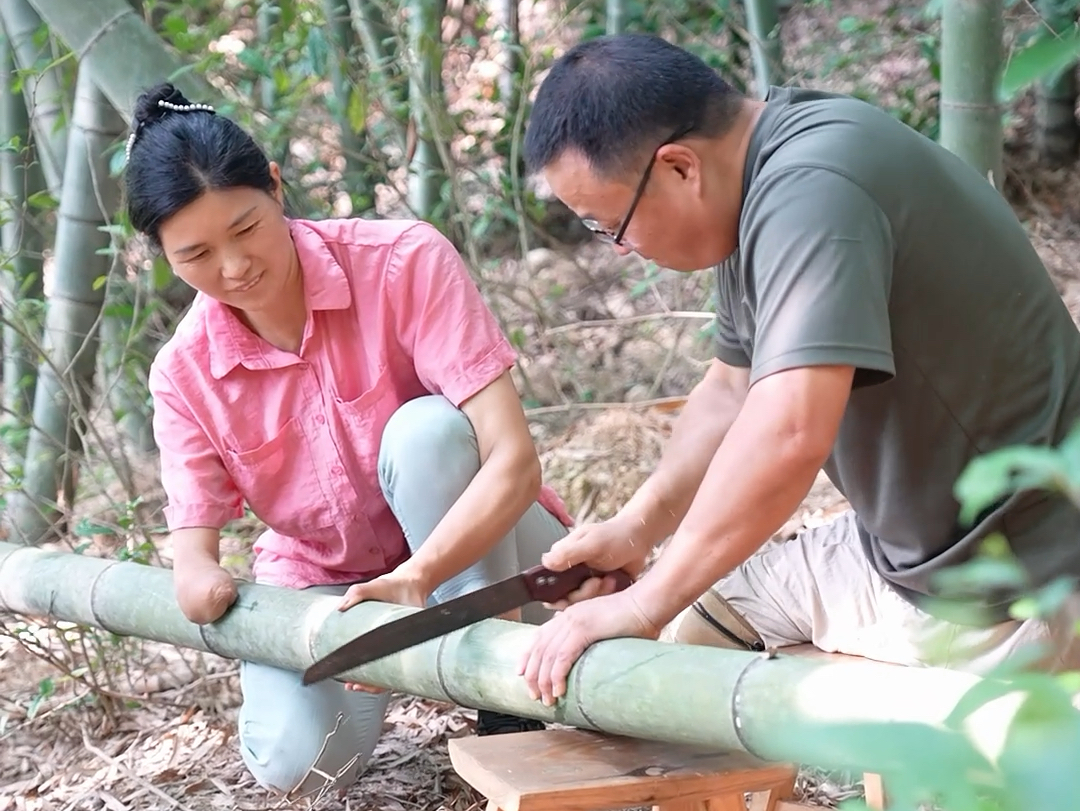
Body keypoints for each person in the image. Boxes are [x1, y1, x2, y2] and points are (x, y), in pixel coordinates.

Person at [514, 33, 1080, 708]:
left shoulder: (812, 191)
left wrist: (644, 604)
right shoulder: (770, 171)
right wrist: (637, 529)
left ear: (679, 167)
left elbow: (789, 431)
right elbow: (730, 390)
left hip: (1011, 581)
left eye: (613, 226)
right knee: (709, 617)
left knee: (682, 648)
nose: (624, 249)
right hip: (936, 546)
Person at [124, 82, 573, 798]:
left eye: (245, 229)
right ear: (159, 253)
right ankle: (400, 670)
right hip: (337, 592)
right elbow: (193, 554)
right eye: (197, 254)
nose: (233, 267)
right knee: (296, 764)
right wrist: (204, 586)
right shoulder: (183, 373)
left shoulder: (402, 261)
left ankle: (502, 704)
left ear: (276, 185)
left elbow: (513, 459)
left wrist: (420, 579)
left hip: (501, 561)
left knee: (426, 431)